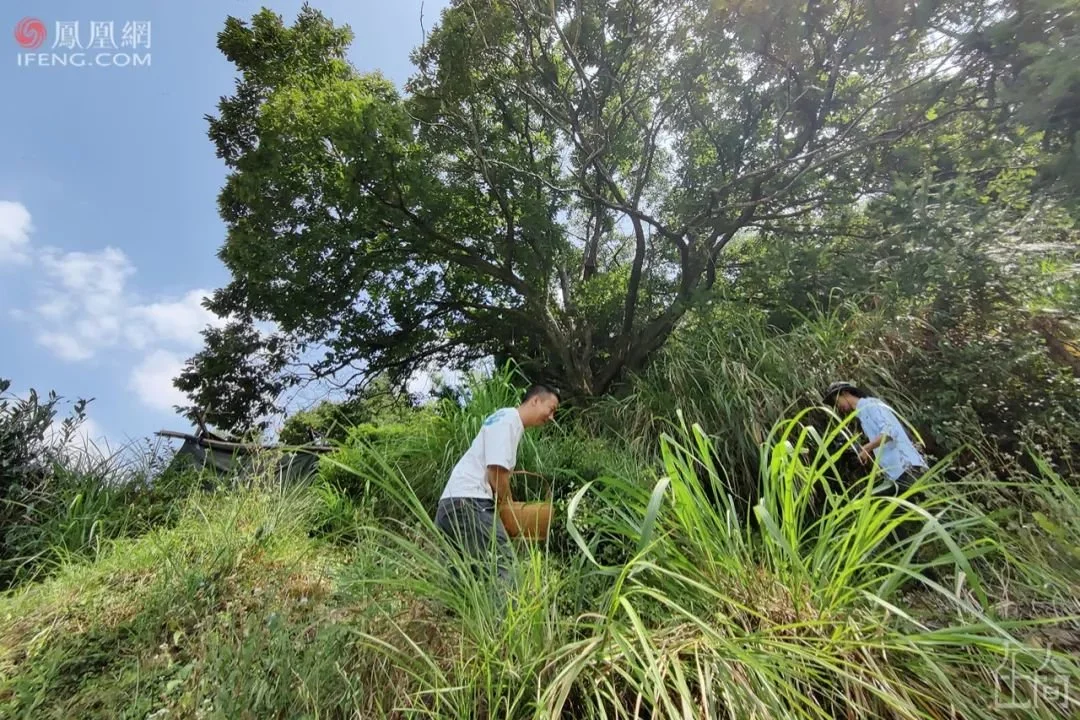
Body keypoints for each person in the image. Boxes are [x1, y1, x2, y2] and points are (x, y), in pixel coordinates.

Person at [434, 384, 559, 584]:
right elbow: (496, 473)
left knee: (461, 575)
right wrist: (507, 504)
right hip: (470, 501)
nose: (551, 416)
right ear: (535, 400)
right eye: (551, 409)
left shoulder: (503, 418)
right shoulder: (509, 421)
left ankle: (459, 614)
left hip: (449, 502)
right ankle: (501, 616)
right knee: (504, 565)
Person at [822, 381, 928, 494]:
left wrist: (867, 448)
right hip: (896, 475)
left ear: (845, 393)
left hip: (908, 468)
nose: (838, 407)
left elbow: (890, 431)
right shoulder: (862, 415)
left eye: (836, 402)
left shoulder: (872, 405)